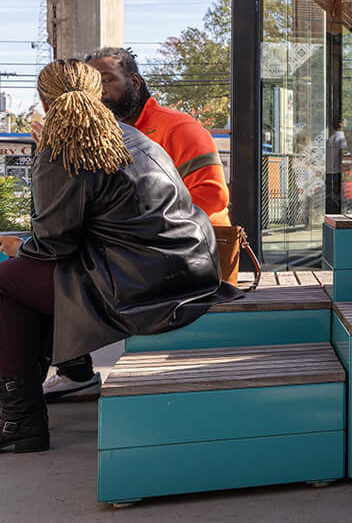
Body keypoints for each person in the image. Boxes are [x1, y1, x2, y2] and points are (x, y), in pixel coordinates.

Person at [0, 59, 221, 453]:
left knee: (8, 281)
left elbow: (54, 243)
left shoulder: (63, 151)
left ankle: (20, 419)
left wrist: (20, 246)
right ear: (97, 94)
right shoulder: (133, 136)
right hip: (191, 271)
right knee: (31, 278)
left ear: (44, 102)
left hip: (141, 287)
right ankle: (67, 372)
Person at [43, 46, 233, 402]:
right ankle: (73, 370)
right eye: (92, 82)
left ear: (134, 82)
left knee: (49, 270)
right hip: (132, 255)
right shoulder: (102, 135)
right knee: (55, 260)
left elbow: (212, 198)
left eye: (107, 80)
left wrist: (153, 238)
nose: (98, 91)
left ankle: (66, 376)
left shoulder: (178, 127)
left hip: (184, 257)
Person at [326, 118, 347, 215]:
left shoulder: (331, 138)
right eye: (344, 120)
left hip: (329, 170)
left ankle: (331, 214)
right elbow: (342, 154)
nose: (346, 122)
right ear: (340, 124)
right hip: (338, 170)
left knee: (331, 195)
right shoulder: (342, 137)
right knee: (338, 195)